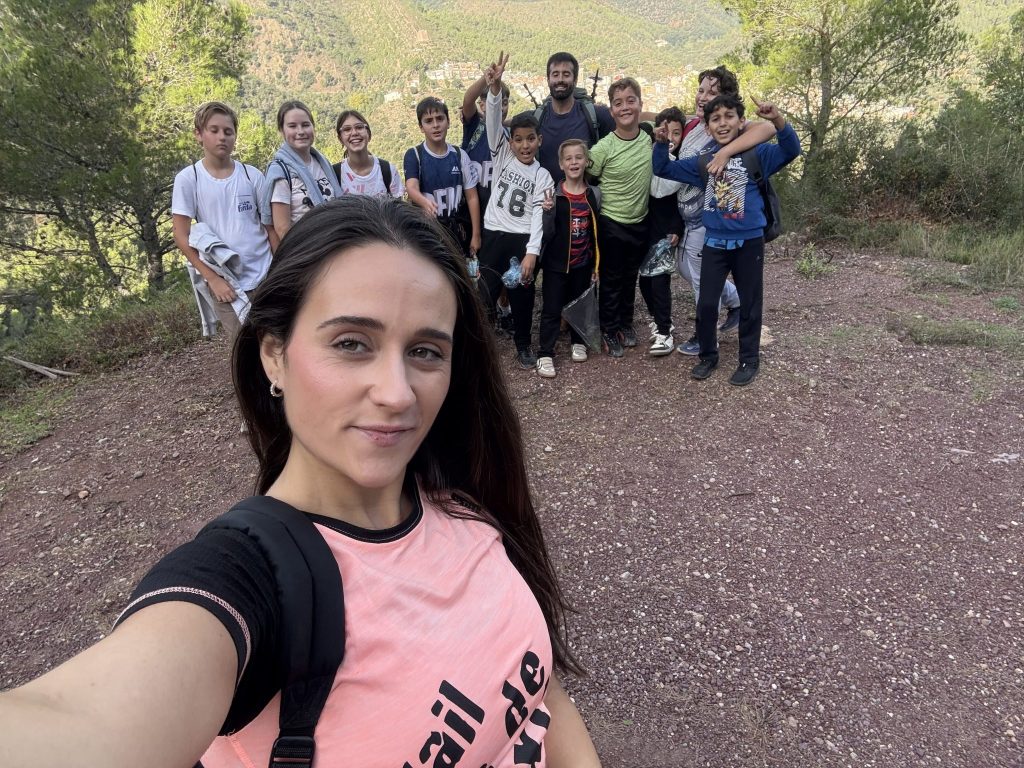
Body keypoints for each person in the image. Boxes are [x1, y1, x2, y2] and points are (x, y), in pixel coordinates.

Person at [0, 196, 604, 768]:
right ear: (274, 355)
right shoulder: (252, 586)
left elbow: (540, 697)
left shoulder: (460, 498)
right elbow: (79, 721)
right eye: (352, 343)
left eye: (425, 351)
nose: (397, 393)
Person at [653, 93, 801, 386]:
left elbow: (791, 149)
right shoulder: (703, 162)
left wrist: (777, 119)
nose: (722, 123)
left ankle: (749, 359)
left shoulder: (758, 155)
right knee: (707, 304)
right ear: (707, 128)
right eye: (715, 119)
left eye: (729, 116)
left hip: (749, 243)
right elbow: (663, 169)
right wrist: (660, 144)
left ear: (741, 121)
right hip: (714, 244)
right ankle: (708, 356)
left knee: (750, 304)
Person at [671, 66, 777, 356]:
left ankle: (705, 338)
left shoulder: (729, 129)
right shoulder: (696, 125)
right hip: (688, 215)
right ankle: (735, 301)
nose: (703, 97)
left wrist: (726, 151)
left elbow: (768, 128)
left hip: (713, 217)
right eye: (701, 90)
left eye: (712, 92)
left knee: (700, 281)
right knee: (687, 270)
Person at [171, 101, 277, 341]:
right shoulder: (189, 178)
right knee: (244, 348)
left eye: (228, 131)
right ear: (199, 134)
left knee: (277, 342)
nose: (222, 137)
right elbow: (181, 234)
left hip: (265, 275)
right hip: (226, 281)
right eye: (214, 130)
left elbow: (269, 227)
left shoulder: (251, 175)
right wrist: (212, 278)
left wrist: (279, 269)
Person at [475, 52, 555, 370]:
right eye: (518, 139)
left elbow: (538, 217)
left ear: (539, 140)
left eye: (530, 139)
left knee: (523, 296)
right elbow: (493, 122)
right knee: (484, 294)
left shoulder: (542, 176)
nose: (524, 145)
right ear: (510, 142)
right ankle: (479, 347)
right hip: (495, 235)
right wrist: (495, 89)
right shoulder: (502, 156)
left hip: (521, 239)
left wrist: (532, 253)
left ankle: (523, 345)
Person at [586, 77, 653, 357]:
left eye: (630, 101)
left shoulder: (648, 137)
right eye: (618, 103)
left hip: (640, 220)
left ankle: (625, 323)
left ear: (640, 104)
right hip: (612, 222)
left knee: (630, 277)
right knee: (612, 279)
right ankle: (609, 329)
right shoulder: (603, 148)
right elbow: (586, 175)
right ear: (611, 111)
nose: (625, 107)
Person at [536, 138, 601, 378]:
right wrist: (547, 213)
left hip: (582, 263)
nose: (574, 162)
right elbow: (547, 234)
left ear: (586, 161)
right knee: (552, 309)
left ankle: (578, 341)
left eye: (578, 157)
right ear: (561, 164)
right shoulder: (554, 195)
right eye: (568, 159)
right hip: (556, 265)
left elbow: (596, 232)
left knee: (580, 304)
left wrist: (595, 265)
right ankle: (545, 353)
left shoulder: (594, 194)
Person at [404, 97, 482, 262]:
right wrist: (424, 202)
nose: (435, 125)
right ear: (421, 127)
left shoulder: (459, 156)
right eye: (428, 121)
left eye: (440, 119)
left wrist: (476, 235)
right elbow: (411, 187)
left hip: (457, 231)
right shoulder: (415, 155)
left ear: (448, 122)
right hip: (428, 232)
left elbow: (472, 197)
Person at [642, 107, 687, 357]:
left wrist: (677, 227)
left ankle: (664, 331)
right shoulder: (648, 156)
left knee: (659, 280)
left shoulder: (682, 164)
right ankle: (657, 318)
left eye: (676, 133)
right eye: (665, 132)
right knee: (644, 280)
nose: (670, 138)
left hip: (666, 230)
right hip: (645, 228)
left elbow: (680, 200)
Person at [263, 100, 342, 240]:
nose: (300, 132)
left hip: (334, 241)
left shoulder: (322, 163)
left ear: (313, 127)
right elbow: (282, 229)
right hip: (306, 247)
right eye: (292, 126)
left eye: (305, 125)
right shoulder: (281, 172)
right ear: (282, 131)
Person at [534, 52, 614, 181]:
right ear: (548, 80)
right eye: (555, 74)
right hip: (544, 193)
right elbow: (505, 123)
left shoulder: (595, 115)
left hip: (584, 193)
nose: (560, 79)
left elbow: (626, 122)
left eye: (566, 74)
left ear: (575, 80)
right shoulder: (537, 118)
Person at [461, 74, 511, 210]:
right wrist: (487, 77)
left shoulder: (510, 135)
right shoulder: (475, 128)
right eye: (495, 103)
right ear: (482, 105)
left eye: (504, 103)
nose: (501, 108)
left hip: (499, 213)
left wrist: (506, 123)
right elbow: (468, 101)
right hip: (472, 213)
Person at [331, 109, 404, 198]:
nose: (354, 133)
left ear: (368, 134)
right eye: (347, 129)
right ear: (340, 139)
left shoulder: (387, 170)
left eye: (359, 127)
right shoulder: (334, 175)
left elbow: (398, 205)